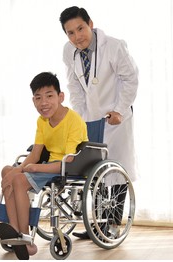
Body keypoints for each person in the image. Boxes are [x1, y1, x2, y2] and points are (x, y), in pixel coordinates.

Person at [59, 6, 139, 239]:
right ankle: (97, 225)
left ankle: (112, 226)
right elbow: (74, 85)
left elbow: (130, 79)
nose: (77, 37)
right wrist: (82, 116)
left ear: (90, 24)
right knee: (96, 173)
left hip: (116, 120)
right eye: (70, 33)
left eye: (80, 29)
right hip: (91, 119)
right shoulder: (69, 51)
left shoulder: (114, 46)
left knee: (116, 172)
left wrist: (119, 110)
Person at [0, 71, 88, 258]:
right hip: (48, 164)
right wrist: (18, 169)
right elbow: (35, 154)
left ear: (60, 96)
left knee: (18, 181)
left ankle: (26, 239)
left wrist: (35, 168)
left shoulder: (74, 121)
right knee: (7, 171)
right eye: (38, 98)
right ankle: (14, 229)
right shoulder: (42, 121)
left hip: (66, 167)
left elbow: (69, 160)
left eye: (49, 96)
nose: (44, 103)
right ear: (33, 101)